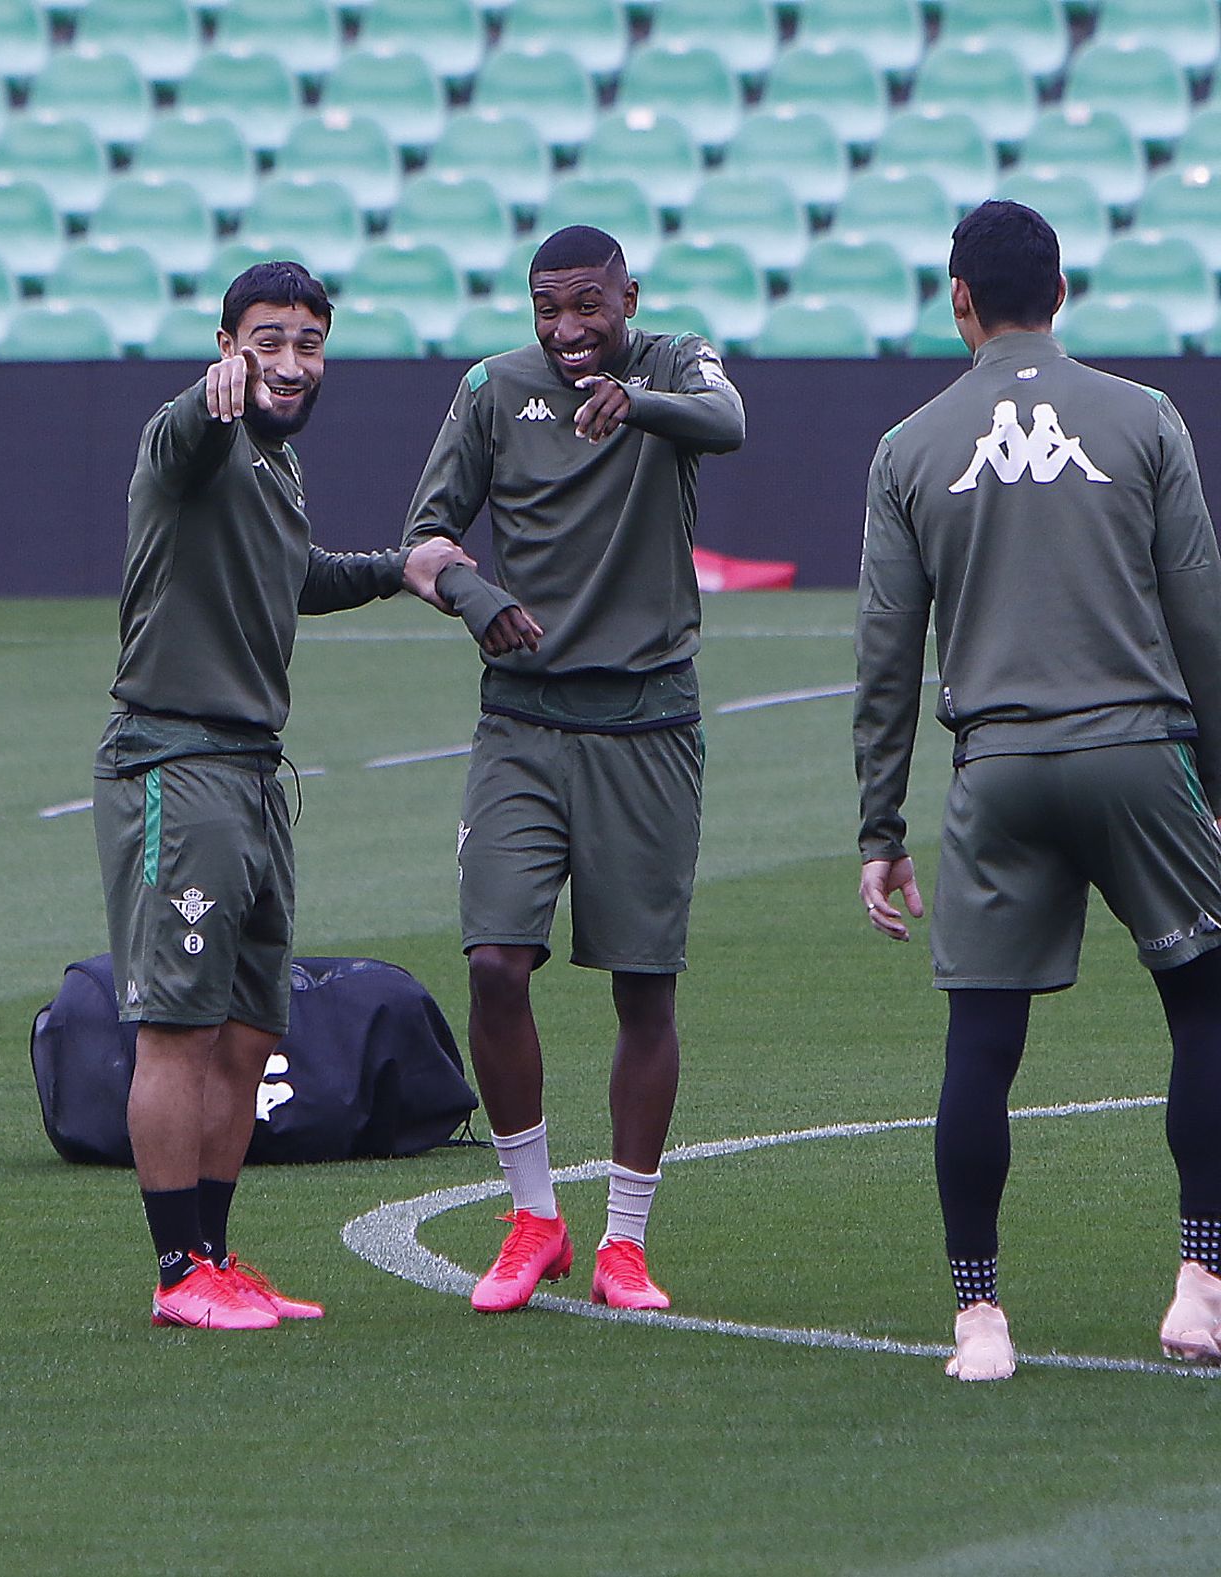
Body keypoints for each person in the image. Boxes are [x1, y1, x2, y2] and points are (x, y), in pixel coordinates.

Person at [854, 199, 1221, 1381]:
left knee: (981, 1042)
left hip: (996, 766)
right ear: (1060, 293)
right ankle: (1200, 1288)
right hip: (1136, 754)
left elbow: (882, 651)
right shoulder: (1146, 417)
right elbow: (1200, 616)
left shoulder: (908, 446)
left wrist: (879, 823)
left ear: (956, 298)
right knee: (1207, 1012)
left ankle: (980, 1318)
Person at [93, 261, 470, 1331]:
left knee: (251, 1026)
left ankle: (214, 1251)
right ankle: (177, 1274)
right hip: (178, 762)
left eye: (308, 342)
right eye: (266, 341)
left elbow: (291, 575)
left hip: (254, 772)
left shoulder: (273, 463)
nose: (289, 363)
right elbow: (185, 429)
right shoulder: (198, 436)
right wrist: (208, 394)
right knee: (176, 1022)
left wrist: (404, 568)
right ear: (225, 344)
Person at [403, 225, 745, 1313]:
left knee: (643, 987)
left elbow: (730, 424)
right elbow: (426, 536)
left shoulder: (676, 366)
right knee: (496, 963)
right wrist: (474, 595)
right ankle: (533, 1216)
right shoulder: (493, 390)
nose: (567, 329)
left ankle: (625, 1242)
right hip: (522, 724)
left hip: (647, 726)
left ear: (626, 297)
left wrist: (638, 404)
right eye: (548, 308)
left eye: (588, 306)